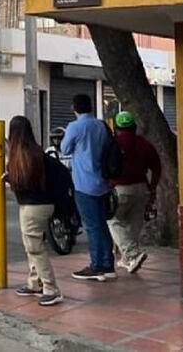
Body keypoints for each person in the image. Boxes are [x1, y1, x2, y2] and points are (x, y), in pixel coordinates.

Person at [7, 115, 66, 307]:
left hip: (33, 205)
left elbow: (23, 183)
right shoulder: (37, 152)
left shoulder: (21, 155)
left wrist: (9, 179)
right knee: (30, 244)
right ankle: (35, 282)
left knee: (34, 247)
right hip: (42, 203)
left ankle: (51, 288)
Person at [61, 93, 117, 282]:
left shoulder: (75, 127)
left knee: (92, 226)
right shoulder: (101, 125)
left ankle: (97, 266)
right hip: (102, 181)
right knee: (101, 224)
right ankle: (108, 264)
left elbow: (64, 148)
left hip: (84, 183)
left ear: (74, 108)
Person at [107, 111, 162, 274]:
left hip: (120, 189)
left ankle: (132, 254)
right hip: (142, 189)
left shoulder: (113, 143)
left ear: (116, 127)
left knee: (114, 221)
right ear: (134, 126)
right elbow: (157, 168)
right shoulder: (145, 144)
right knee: (133, 224)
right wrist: (152, 189)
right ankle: (127, 259)